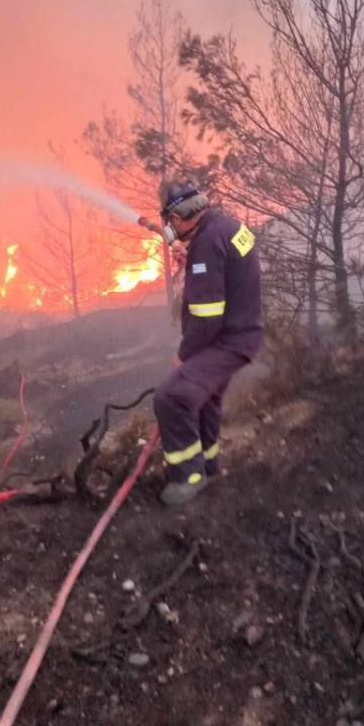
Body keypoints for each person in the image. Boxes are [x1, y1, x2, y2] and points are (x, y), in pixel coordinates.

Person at [153, 180, 263, 506]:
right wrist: (199, 268)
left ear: (181, 214)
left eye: (171, 220)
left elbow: (205, 316)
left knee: (171, 397)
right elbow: (233, 268)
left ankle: (188, 478)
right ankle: (210, 463)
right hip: (244, 331)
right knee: (205, 398)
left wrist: (184, 356)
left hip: (226, 340)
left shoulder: (207, 242)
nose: (170, 228)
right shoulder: (229, 227)